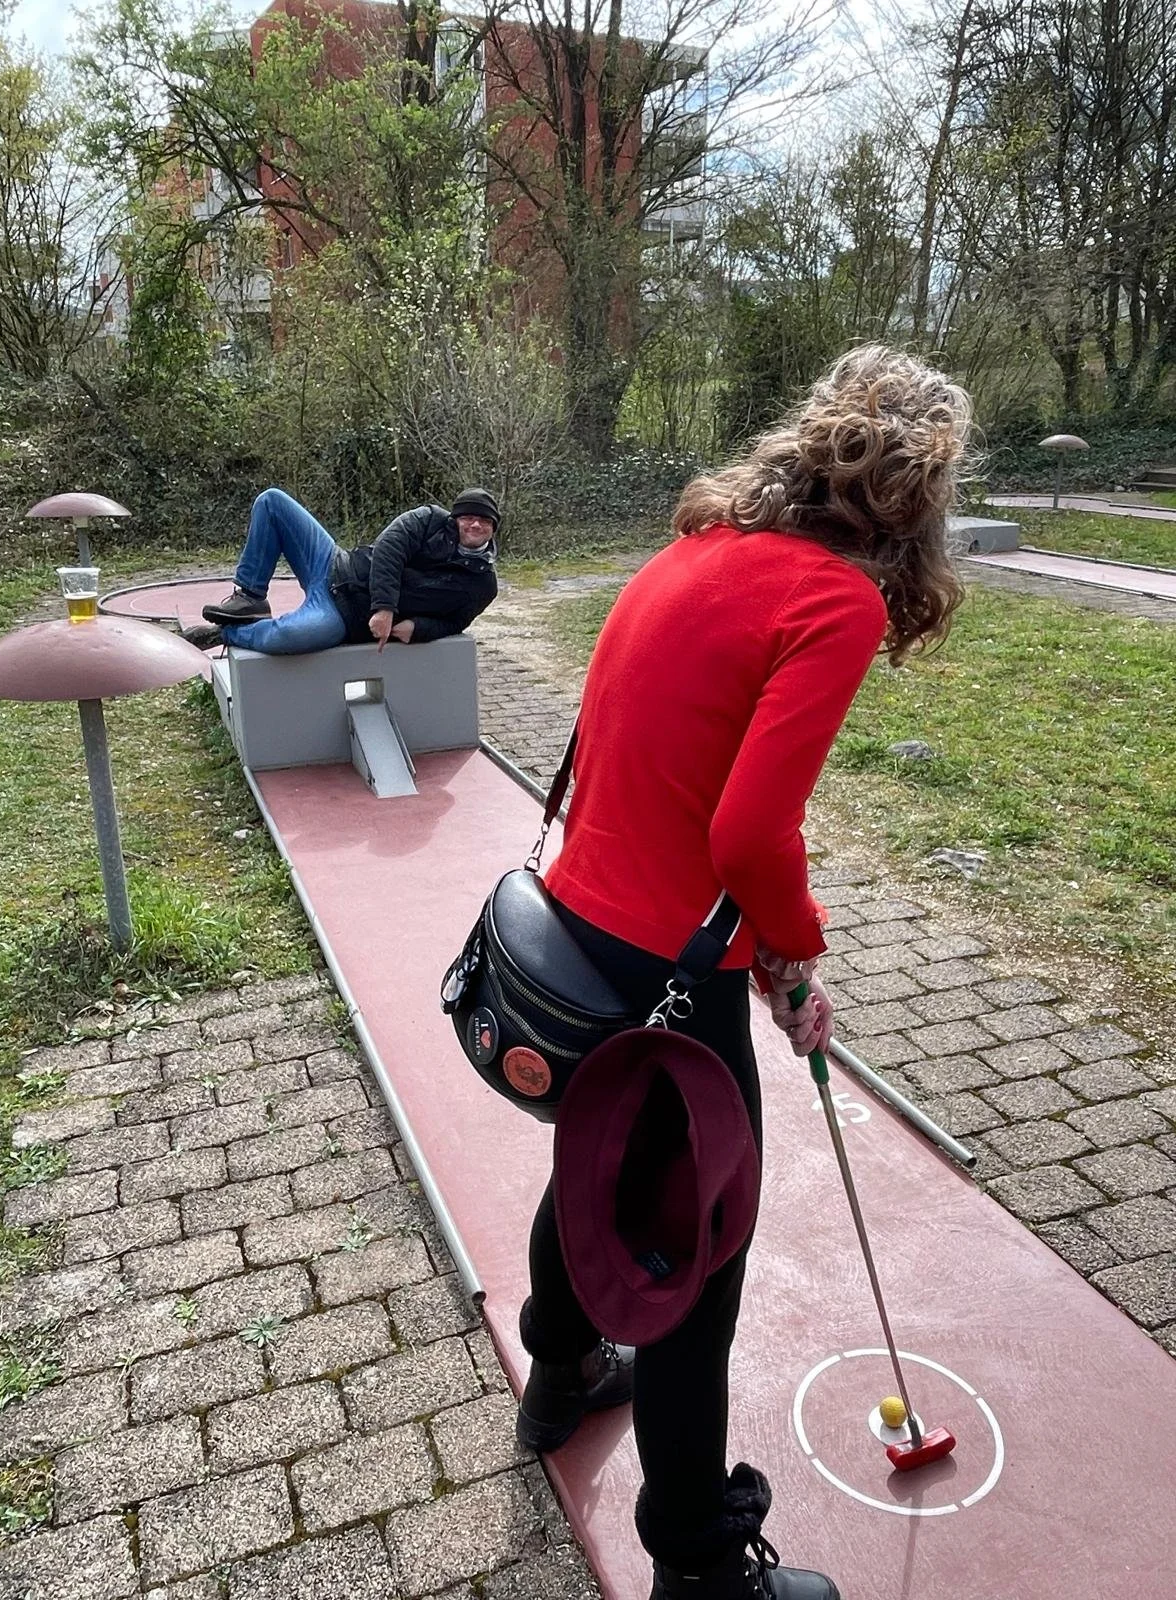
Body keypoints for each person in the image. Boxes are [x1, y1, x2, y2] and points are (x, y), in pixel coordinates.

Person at [515, 345, 971, 1600]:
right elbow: (750, 834)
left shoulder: (694, 545)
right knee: (691, 1261)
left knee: (597, 1171)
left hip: (574, 935)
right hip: (672, 972)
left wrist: (766, 949)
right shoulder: (835, 600)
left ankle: (558, 1375)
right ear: (917, 502)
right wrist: (792, 956)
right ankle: (704, 1568)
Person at [180, 486, 499, 653]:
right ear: (454, 519)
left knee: (289, 636)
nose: (474, 524)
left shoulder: (483, 585)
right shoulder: (428, 519)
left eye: (484, 520)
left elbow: (457, 621)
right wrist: (385, 607)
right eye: (467, 517)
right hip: (334, 565)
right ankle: (250, 596)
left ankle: (226, 634)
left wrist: (418, 629)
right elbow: (389, 547)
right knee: (273, 502)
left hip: (344, 616)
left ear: (493, 529)